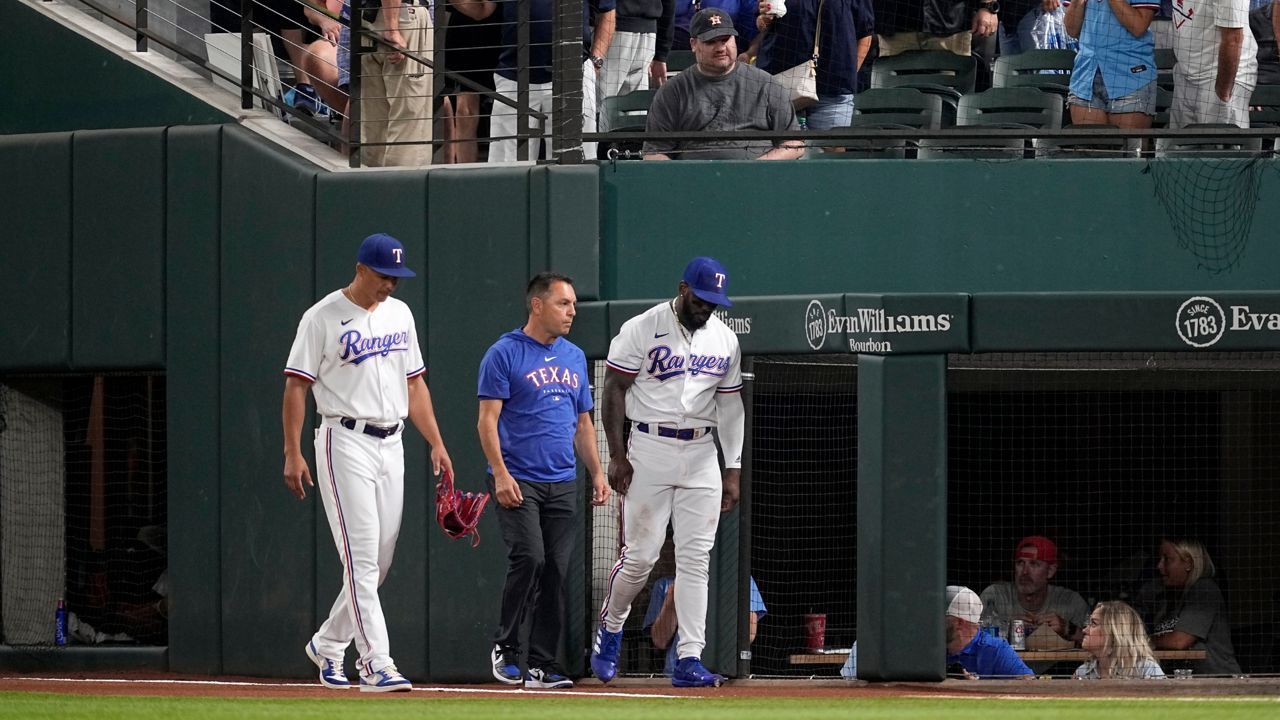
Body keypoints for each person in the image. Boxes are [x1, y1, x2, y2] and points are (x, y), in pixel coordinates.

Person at [283, 232, 453, 692]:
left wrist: (435, 441)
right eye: (383, 276)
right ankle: (377, 661)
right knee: (360, 561)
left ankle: (328, 644)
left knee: (379, 561)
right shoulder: (321, 317)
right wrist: (292, 451)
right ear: (360, 269)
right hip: (344, 441)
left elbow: (415, 386)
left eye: (396, 278)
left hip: (392, 442)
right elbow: (296, 386)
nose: (390, 285)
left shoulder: (400, 313)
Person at [589, 256, 746, 688]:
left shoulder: (725, 340)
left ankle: (689, 658)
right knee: (641, 557)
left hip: (701, 453)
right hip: (650, 447)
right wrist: (618, 455)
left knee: (696, 560)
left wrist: (732, 468)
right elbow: (614, 388)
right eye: (701, 298)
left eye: (714, 302)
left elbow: (731, 407)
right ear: (682, 289)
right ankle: (612, 625)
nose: (707, 308)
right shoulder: (643, 327)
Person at [477, 272, 610, 690]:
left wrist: (598, 473)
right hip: (519, 480)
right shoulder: (503, 353)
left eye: (572, 304)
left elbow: (583, 424)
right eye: (563, 303)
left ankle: (541, 664)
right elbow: (487, 420)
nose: (572, 311)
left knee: (556, 571)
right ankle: (507, 648)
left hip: (563, 482)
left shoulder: (573, 356)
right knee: (530, 558)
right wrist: (499, 473)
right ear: (537, 305)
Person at [643, 8, 806, 159]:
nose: (720, 48)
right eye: (711, 42)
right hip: (694, 183)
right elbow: (653, 153)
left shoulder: (766, 84)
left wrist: (759, 166)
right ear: (694, 44)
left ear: (734, 39)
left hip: (757, 180)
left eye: (725, 39)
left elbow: (794, 143)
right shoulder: (673, 91)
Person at [486, 0, 617, 162]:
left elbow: (608, 11)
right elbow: (484, 8)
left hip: (574, 75)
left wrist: (595, 63)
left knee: (575, 167)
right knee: (507, 171)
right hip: (513, 76)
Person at [333, 1, 435, 166]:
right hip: (399, 20)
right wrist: (392, 29)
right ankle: (403, 190)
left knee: (373, 126)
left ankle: (375, 187)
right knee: (408, 125)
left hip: (367, 17)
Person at [755, 0, 876, 131]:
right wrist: (764, 19)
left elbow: (865, 35)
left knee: (829, 148)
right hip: (782, 86)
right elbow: (762, 24)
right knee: (783, 148)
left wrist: (848, 73)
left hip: (832, 90)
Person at [1138, 537, 1242, 675]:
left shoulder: (1204, 589)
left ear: (1188, 563)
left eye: (1167, 559)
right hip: (1184, 681)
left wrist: (1142, 640)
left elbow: (1179, 641)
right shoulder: (1168, 597)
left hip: (1218, 681)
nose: (1159, 566)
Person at [1064, 0, 1161, 129]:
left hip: (1129, 76)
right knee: (1089, 148)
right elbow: (1071, 30)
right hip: (1086, 76)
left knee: (1130, 148)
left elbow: (1138, 27)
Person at [979, 536, 1091, 646]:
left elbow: (1098, 644)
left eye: (1034, 564)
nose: (1025, 572)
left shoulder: (1071, 601)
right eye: (1020, 563)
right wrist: (1006, 630)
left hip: (1058, 665)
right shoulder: (994, 596)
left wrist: (1067, 629)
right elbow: (970, 640)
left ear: (1050, 571)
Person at [1169, 0, 1258, 128]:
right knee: (1180, 146)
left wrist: (1222, 93)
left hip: (1218, 78)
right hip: (1186, 76)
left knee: (1219, 146)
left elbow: (1233, 39)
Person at [438, 0, 503, 163]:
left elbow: (485, 10)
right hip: (465, 33)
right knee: (465, 110)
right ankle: (464, 177)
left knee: (509, 105)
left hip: (504, 28)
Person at [598, 0, 675, 131]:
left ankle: (596, 151)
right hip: (648, 33)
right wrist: (661, 53)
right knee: (634, 111)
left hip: (611, 26)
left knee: (598, 107)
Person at [946, 585, 1035, 679]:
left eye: (938, 617)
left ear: (959, 623)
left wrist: (976, 689)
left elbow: (1031, 683)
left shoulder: (995, 649)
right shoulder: (932, 648)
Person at [871, 0, 1000, 57]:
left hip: (950, 22)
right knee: (891, 100)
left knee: (950, 98)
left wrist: (987, 5)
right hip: (894, 21)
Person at [1074, 601, 1166, 679]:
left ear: (1114, 633)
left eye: (1093, 624)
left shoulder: (1146, 669)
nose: (1084, 630)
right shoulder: (1082, 672)